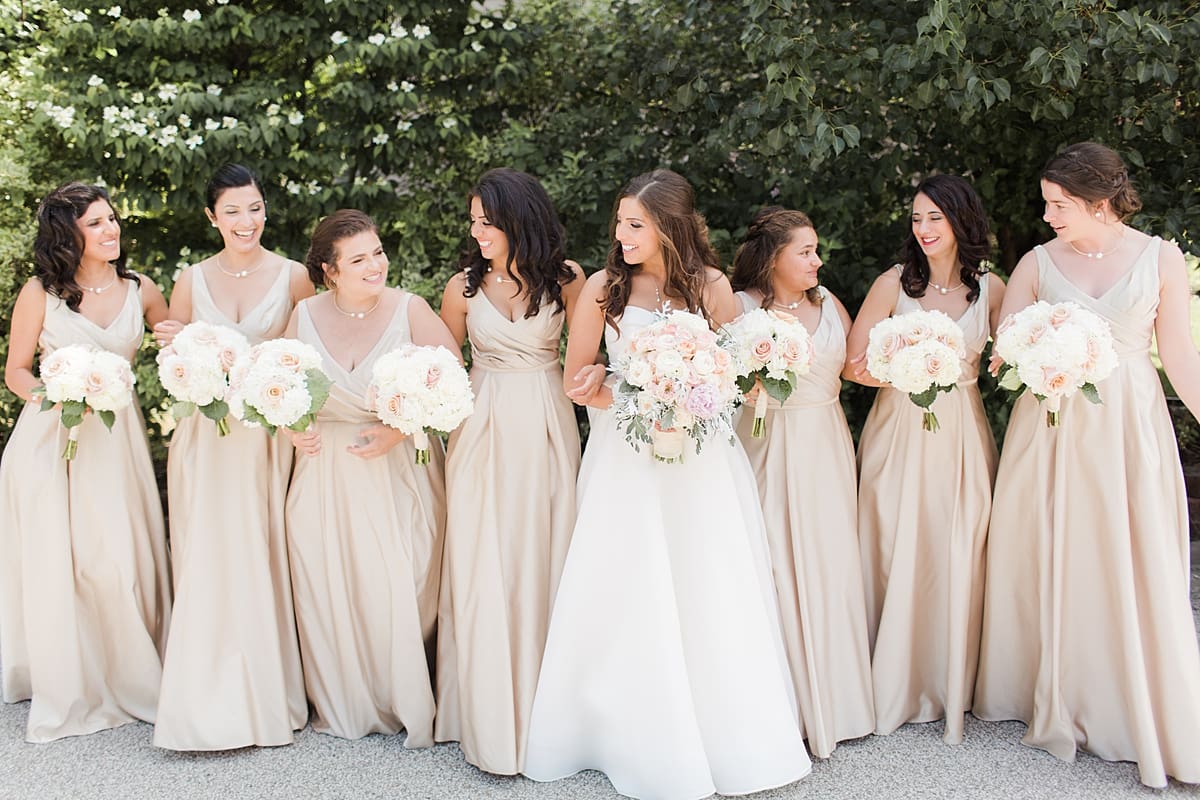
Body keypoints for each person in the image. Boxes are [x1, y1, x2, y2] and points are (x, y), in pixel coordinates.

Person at [523, 170, 811, 800]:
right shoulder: (602, 289)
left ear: (670, 226)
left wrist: (689, 403)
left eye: (635, 224)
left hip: (702, 463)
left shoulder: (712, 289)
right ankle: (622, 730)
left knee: (707, 581)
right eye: (619, 222)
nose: (621, 235)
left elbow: (734, 379)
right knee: (627, 583)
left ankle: (722, 731)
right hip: (624, 461)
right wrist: (632, 395)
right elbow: (580, 383)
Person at [973, 142, 1200, 787]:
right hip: (1050, 423)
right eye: (1047, 204)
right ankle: (1055, 687)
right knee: (1053, 546)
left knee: (1130, 549)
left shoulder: (1159, 257)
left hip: (1127, 422)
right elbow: (1005, 351)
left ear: (1100, 203)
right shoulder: (1037, 263)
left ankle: (1129, 691)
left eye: (1058, 204)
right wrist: (1030, 355)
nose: (1047, 216)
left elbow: (1179, 354)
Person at [0, 181, 171, 742]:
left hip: (115, 442)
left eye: (112, 218)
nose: (111, 229)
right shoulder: (40, 293)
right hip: (52, 439)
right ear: (68, 234)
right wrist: (56, 395)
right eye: (96, 222)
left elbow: (175, 352)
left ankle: (126, 671)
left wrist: (182, 342)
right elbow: (17, 371)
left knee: (113, 556)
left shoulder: (143, 289)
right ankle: (66, 674)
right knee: (60, 559)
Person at [150, 164, 314, 750]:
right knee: (208, 551)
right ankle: (201, 687)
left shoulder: (295, 276)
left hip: (266, 440)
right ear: (211, 217)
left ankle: (267, 687)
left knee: (260, 549)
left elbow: (305, 357)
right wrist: (183, 356)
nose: (247, 221)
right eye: (233, 211)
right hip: (205, 439)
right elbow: (175, 369)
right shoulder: (190, 281)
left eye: (255, 207)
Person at [282, 209, 458, 742]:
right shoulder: (305, 315)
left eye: (378, 252)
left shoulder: (412, 309)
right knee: (329, 579)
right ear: (330, 270)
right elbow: (283, 387)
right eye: (359, 259)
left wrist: (399, 431)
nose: (376, 264)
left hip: (398, 465)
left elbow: (453, 381)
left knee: (405, 578)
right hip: (324, 469)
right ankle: (345, 701)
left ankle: (404, 692)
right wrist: (293, 428)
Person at [844, 174, 1005, 744]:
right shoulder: (894, 283)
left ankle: (949, 680)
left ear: (962, 220)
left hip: (961, 429)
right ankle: (890, 677)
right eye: (916, 218)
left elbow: (1006, 365)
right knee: (894, 539)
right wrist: (903, 361)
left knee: (955, 542)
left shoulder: (991, 289)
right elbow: (852, 366)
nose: (924, 229)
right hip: (897, 426)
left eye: (935, 217)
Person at [434, 168, 584, 774]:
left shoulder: (569, 281)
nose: (478, 232)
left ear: (519, 219)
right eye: (473, 220)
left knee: (549, 549)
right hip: (481, 424)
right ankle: (485, 705)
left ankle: (555, 711)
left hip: (548, 420)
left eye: (487, 221)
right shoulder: (460, 289)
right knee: (482, 554)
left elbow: (590, 360)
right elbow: (440, 372)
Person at [729, 207, 875, 758]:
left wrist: (928, 367)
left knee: (828, 560)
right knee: (769, 561)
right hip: (763, 442)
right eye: (805, 251)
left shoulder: (828, 304)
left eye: (816, 250)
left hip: (825, 444)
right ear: (773, 257)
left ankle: (837, 701)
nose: (817, 260)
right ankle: (778, 704)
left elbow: (860, 368)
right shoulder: (738, 310)